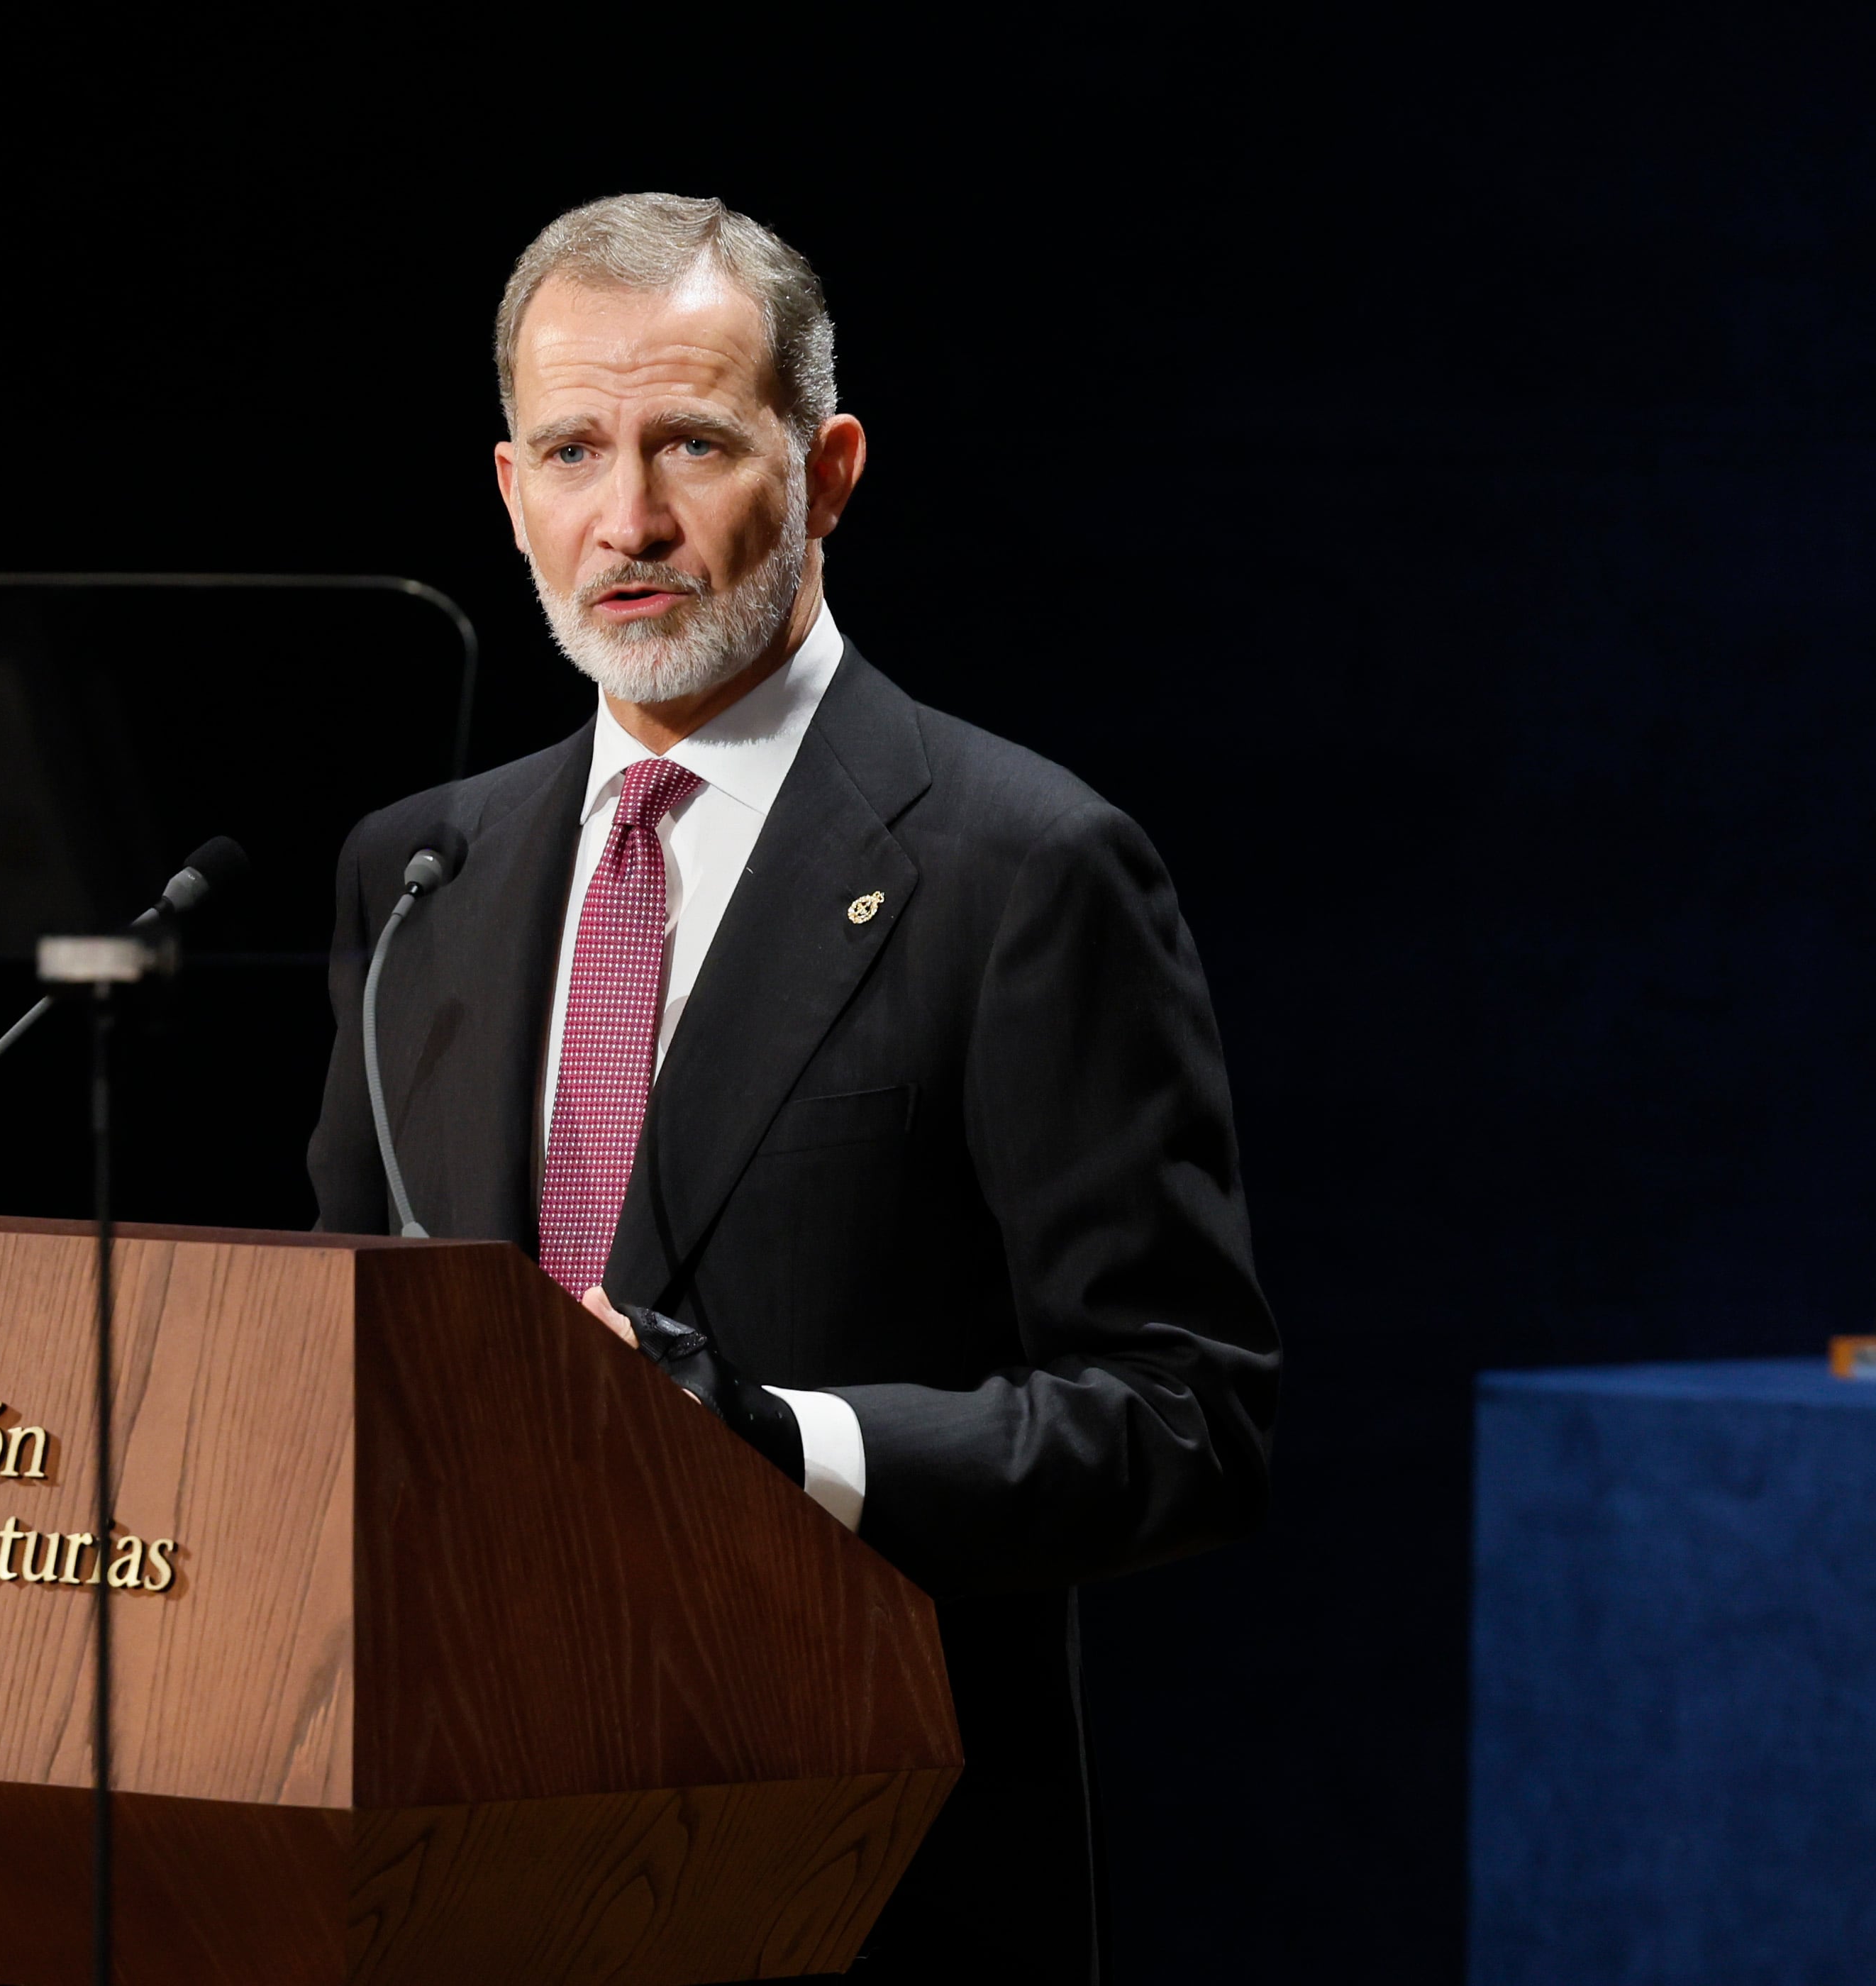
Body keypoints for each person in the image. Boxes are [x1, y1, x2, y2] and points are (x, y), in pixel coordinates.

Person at [308, 192, 1279, 1978]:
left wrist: (778, 1441)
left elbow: (1186, 1418)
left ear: (827, 469)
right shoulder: (413, 873)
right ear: (506, 487)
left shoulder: (1023, 866)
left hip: (858, 1883)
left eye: (692, 441)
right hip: (448, 1866)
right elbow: (337, 1378)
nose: (631, 519)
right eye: (572, 449)